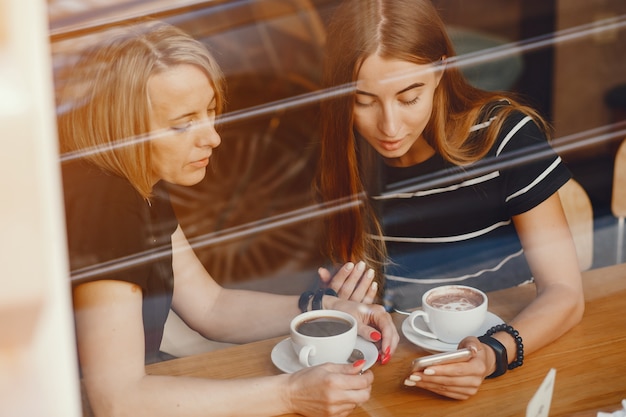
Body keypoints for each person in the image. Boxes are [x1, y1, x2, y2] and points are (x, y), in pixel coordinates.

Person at [58, 20, 399, 417]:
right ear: (124, 128)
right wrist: (290, 393)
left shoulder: (136, 181)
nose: (212, 137)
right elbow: (117, 401)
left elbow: (211, 306)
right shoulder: (106, 206)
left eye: (210, 111)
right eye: (183, 124)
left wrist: (325, 308)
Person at [316, 0, 584, 400]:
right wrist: (345, 304)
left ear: (440, 71)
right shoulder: (343, 157)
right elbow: (360, 305)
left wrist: (494, 353)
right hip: (397, 374)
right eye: (364, 101)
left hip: (513, 360)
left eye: (409, 98)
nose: (389, 126)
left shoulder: (503, 137)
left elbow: (565, 292)